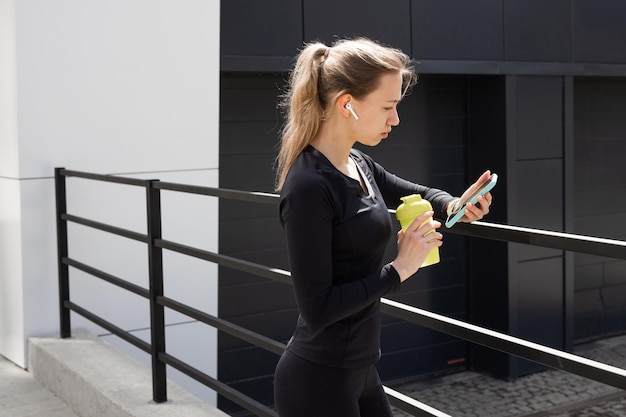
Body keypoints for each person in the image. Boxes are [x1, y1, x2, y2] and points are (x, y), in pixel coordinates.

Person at [273, 37, 493, 417]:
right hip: (319, 380)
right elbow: (318, 309)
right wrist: (402, 267)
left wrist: (456, 205)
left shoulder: (358, 163)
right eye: (388, 107)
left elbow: (418, 191)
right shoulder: (308, 186)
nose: (396, 119)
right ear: (347, 104)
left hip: (359, 368)